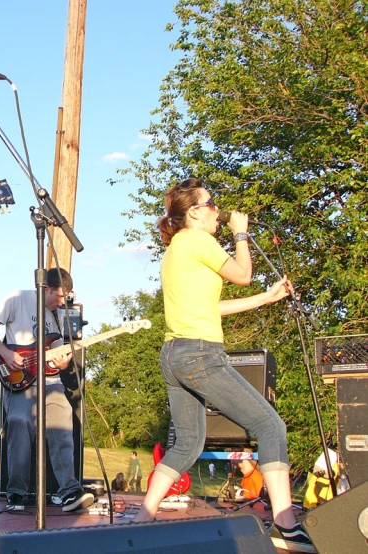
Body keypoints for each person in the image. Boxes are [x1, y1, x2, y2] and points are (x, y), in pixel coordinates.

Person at [133, 178, 314, 553]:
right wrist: (241, 234)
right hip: (201, 354)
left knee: (188, 443)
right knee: (269, 424)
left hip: (174, 354)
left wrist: (266, 299)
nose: (218, 211)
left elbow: (210, 308)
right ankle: (286, 524)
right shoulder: (199, 240)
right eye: (211, 205)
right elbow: (243, 274)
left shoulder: (177, 249)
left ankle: (143, 516)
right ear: (195, 212)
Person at [0, 267, 94, 513]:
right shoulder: (17, 299)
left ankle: (69, 492)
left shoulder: (55, 316)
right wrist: (6, 352)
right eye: (60, 296)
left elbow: (58, 353)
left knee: (63, 426)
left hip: (51, 383)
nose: (63, 302)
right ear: (47, 289)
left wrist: (63, 360)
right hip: (20, 379)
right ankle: (16, 493)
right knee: (19, 424)